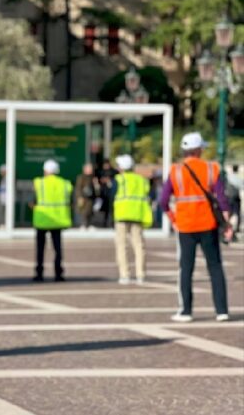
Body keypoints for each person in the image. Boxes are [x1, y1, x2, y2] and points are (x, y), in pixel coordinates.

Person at [160, 132, 233, 322]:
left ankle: (186, 311)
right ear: (199, 149)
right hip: (207, 223)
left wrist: (173, 218)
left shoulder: (175, 171)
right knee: (215, 267)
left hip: (185, 225)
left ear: (184, 150)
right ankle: (221, 310)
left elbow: (163, 200)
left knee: (186, 268)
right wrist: (226, 222)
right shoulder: (212, 168)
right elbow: (221, 198)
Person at [113, 154, 152, 285]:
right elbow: (148, 193)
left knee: (122, 246)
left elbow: (111, 194)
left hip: (122, 215)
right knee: (139, 245)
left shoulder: (119, 179)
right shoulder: (142, 180)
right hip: (138, 215)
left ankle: (125, 275)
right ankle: (141, 274)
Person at [31, 159, 72, 282]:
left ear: (45, 170)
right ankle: (58, 273)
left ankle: (39, 273)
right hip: (58, 221)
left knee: (40, 249)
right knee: (58, 249)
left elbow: (34, 199)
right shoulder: (65, 184)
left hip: (42, 220)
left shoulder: (39, 183)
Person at [74, 163, 96, 229]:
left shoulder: (93, 177)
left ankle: (89, 224)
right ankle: (83, 224)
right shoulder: (81, 177)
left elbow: (94, 188)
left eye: (91, 169)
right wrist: (79, 196)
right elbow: (78, 188)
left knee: (90, 211)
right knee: (83, 212)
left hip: (90, 197)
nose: (90, 170)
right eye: (89, 169)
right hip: (83, 197)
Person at [98, 159, 117, 227]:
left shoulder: (113, 172)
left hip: (111, 192)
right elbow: (99, 180)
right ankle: (105, 222)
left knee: (112, 209)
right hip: (104, 192)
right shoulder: (101, 172)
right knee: (105, 209)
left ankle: (112, 222)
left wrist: (109, 180)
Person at [225, 164, 242, 235]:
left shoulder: (228, 177)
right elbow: (241, 185)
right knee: (237, 213)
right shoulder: (238, 178)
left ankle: (227, 227)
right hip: (236, 197)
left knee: (229, 213)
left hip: (229, 197)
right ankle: (237, 228)